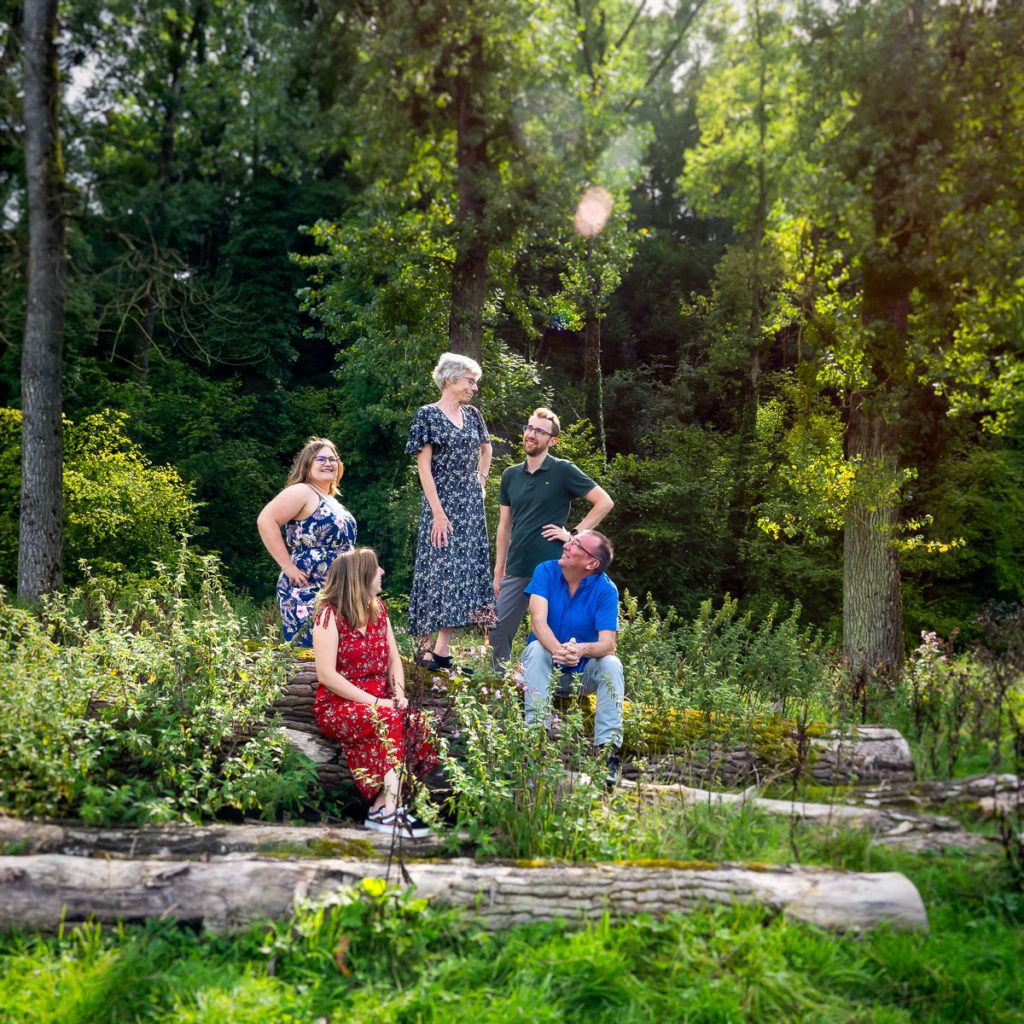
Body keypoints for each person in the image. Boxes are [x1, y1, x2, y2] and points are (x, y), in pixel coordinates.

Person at [312, 548, 436, 838]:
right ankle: (392, 814)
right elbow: (326, 675)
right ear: (361, 576)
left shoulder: (379, 610)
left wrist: (400, 696)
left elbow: (394, 660)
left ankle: (382, 809)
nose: (382, 572)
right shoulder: (328, 614)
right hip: (337, 706)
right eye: (377, 568)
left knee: (418, 725)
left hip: (379, 703)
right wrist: (379, 702)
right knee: (390, 719)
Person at [490, 408, 613, 673]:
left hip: (553, 569)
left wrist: (574, 535)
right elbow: (504, 526)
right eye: (529, 428)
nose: (531, 434)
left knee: (547, 631)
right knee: (498, 630)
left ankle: (549, 687)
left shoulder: (563, 470)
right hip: (518, 566)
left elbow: (604, 502)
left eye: (539, 431)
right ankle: (498, 686)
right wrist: (499, 569)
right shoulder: (510, 475)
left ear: (552, 440)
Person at [405, 352, 494, 670]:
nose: (474, 388)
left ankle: (442, 651)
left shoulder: (474, 415)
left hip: (470, 508)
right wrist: (438, 513)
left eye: (475, 382)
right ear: (450, 381)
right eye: (470, 381)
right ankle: (423, 650)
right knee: (436, 572)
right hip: (439, 506)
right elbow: (423, 467)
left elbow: (487, 448)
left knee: (461, 575)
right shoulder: (427, 415)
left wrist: (481, 480)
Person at [521, 530, 624, 787]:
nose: (567, 544)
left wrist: (580, 650)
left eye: (576, 544)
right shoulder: (545, 571)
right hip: (542, 670)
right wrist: (559, 650)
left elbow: (608, 645)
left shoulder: (606, 590)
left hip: (582, 677)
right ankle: (536, 743)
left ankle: (607, 755)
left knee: (612, 664)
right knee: (535, 649)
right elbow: (537, 622)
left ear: (592, 563)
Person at [257, 437, 358, 647]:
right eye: (320, 459)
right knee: (311, 662)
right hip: (308, 589)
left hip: (339, 589)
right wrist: (287, 566)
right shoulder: (302, 491)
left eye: (333, 459)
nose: (328, 463)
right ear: (307, 464)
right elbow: (266, 520)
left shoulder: (331, 499)